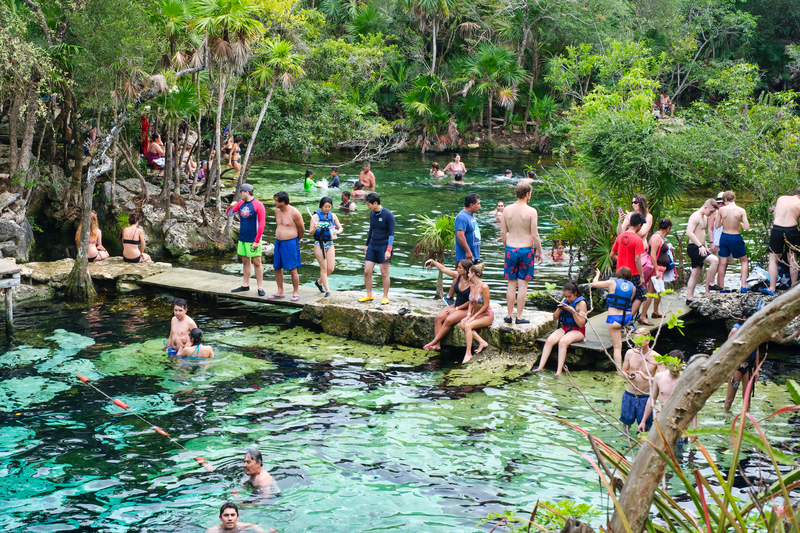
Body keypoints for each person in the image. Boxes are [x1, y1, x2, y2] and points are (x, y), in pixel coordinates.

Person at [500, 182, 543, 324]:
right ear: (527, 194)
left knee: (511, 284)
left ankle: (509, 315)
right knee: (523, 284)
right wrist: (540, 252)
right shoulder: (531, 211)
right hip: (526, 250)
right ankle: (519, 317)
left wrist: (507, 247)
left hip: (510, 249)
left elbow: (503, 232)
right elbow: (535, 235)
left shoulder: (506, 210)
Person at [532, 282, 587, 375]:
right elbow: (555, 318)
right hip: (565, 327)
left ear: (575, 293)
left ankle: (559, 371)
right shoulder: (564, 300)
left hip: (577, 330)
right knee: (549, 340)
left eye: (569, 296)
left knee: (562, 342)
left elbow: (581, 324)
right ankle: (541, 367)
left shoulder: (581, 303)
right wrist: (559, 309)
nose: (567, 299)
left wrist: (573, 312)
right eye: (566, 296)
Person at [638, 350, 696, 434]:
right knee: (657, 445)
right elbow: (652, 399)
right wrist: (643, 421)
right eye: (672, 366)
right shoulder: (659, 377)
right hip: (660, 418)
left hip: (679, 421)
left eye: (677, 366)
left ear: (682, 363)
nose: (674, 369)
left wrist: (694, 426)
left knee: (679, 447)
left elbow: (692, 403)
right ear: (667, 363)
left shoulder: (686, 379)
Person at [422, 259, 473, 351]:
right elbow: (443, 269)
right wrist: (433, 262)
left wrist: (456, 309)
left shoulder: (473, 282)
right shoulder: (458, 276)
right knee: (438, 318)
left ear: (466, 270)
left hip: (467, 308)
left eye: (459, 267)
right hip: (456, 305)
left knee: (448, 320)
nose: (457, 269)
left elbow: (471, 301)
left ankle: (433, 342)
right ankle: (437, 344)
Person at [618, 328, 661, 436]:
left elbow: (662, 378)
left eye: (639, 340)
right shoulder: (630, 353)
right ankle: (625, 439)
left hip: (645, 397)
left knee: (645, 426)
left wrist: (647, 378)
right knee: (626, 423)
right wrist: (628, 376)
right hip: (629, 394)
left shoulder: (657, 357)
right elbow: (622, 371)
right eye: (635, 340)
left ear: (647, 341)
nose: (636, 343)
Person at [592, 267, 635, 371]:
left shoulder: (612, 283)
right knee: (617, 334)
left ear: (618, 275)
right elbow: (630, 300)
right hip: (627, 319)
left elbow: (594, 284)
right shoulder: (633, 287)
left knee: (617, 347)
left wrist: (598, 274)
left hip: (614, 319)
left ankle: (619, 371)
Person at [227, 184, 267, 296]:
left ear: (247, 192)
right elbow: (229, 214)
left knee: (257, 262)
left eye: (241, 192)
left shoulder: (258, 205)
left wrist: (257, 240)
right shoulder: (240, 204)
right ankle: (245, 284)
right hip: (243, 237)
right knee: (245, 261)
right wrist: (231, 206)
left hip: (253, 238)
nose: (239, 194)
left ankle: (260, 287)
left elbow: (262, 224)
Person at [610, 213, 647, 323]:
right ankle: (627, 321)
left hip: (620, 273)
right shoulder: (637, 240)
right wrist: (642, 276)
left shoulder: (620, 237)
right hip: (633, 273)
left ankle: (619, 319)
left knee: (623, 297)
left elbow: (612, 255)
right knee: (641, 295)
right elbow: (637, 260)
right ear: (639, 225)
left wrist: (622, 261)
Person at [360, 193, 395, 305]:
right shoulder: (372, 214)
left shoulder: (388, 215)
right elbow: (371, 229)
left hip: (384, 246)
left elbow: (391, 234)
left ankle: (385, 296)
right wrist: (367, 244)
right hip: (372, 245)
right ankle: (369, 295)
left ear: (375, 203)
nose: (368, 206)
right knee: (367, 271)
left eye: (369, 204)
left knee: (384, 272)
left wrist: (389, 249)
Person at [271, 191, 305, 302]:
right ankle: (280, 291)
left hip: (290, 242)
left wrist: (296, 241)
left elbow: (302, 229)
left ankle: (295, 292)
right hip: (278, 242)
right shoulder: (277, 211)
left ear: (283, 202)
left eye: (276, 200)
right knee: (276, 267)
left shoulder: (294, 212)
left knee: (292, 269)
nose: (274, 202)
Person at [724, 308, 759, 414]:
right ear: (744, 318)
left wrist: (757, 369)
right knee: (730, 398)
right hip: (736, 366)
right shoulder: (736, 330)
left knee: (747, 399)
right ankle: (726, 415)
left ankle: (745, 418)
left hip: (750, 365)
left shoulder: (755, 329)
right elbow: (727, 350)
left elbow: (756, 349)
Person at [686, 199, 721, 303]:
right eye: (711, 212)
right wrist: (700, 246)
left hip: (701, 247)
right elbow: (689, 232)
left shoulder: (705, 217)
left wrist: (705, 245)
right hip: (694, 248)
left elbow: (702, 233)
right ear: (705, 207)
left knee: (695, 273)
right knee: (714, 260)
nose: (711, 214)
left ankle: (689, 298)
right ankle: (711, 283)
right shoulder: (695, 216)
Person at [766, 187, 800, 294]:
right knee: (792, 259)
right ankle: (793, 288)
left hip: (777, 228)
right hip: (791, 229)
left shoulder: (781, 198)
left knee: (773, 259)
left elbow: (775, 215)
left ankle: (772, 288)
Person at [716, 191, 750, 293]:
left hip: (725, 236)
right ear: (734, 199)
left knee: (722, 263)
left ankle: (721, 288)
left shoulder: (721, 209)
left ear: (725, 200)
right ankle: (743, 286)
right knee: (744, 261)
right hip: (736, 236)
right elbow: (747, 227)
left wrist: (724, 220)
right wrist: (738, 222)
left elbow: (717, 225)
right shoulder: (741, 210)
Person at [459, 263, 493, 364]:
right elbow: (471, 302)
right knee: (462, 324)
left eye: (469, 273)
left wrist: (474, 317)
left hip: (486, 315)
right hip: (475, 314)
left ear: (473, 274)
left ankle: (468, 353)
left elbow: (486, 306)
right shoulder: (472, 286)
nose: (467, 275)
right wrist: (468, 314)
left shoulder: (484, 287)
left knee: (468, 326)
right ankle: (482, 342)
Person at [639, 218, 672, 320]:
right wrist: (657, 270)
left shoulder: (660, 237)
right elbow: (653, 254)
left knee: (659, 291)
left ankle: (656, 311)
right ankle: (643, 316)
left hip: (660, 269)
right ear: (668, 228)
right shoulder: (657, 237)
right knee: (651, 292)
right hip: (655, 269)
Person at [310, 197, 343, 297]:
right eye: (325, 207)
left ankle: (319, 282)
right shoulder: (315, 217)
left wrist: (338, 231)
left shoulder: (333, 216)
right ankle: (327, 290)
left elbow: (340, 227)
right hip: (319, 244)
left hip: (330, 242)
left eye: (329, 207)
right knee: (323, 268)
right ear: (321, 206)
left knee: (331, 268)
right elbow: (310, 233)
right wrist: (315, 228)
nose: (327, 209)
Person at [206, 502, 272, 533]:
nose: (230, 518)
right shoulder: (213, 531)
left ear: (237, 517)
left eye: (232, 515)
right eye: (226, 515)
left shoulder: (247, 526)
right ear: (220, 518)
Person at [455, 194, 481, 263]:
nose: (480, 206)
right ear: (471, 205)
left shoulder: (470, 215)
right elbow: (460, 236)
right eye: (478, 204)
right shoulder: (462, 217)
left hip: (473, 256)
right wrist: (468, 252)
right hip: (466, 258)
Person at [709, 191, 726, 287]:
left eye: (722, 203)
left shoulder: (729, 211)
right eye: (718, 203)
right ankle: (708, 288)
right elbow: (710, 229)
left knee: (724, 267)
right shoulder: (713, 213)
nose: (720, 205)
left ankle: (720, 287)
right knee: (714, 268)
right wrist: (711, 242)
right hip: (716, 242)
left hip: (726, 242)